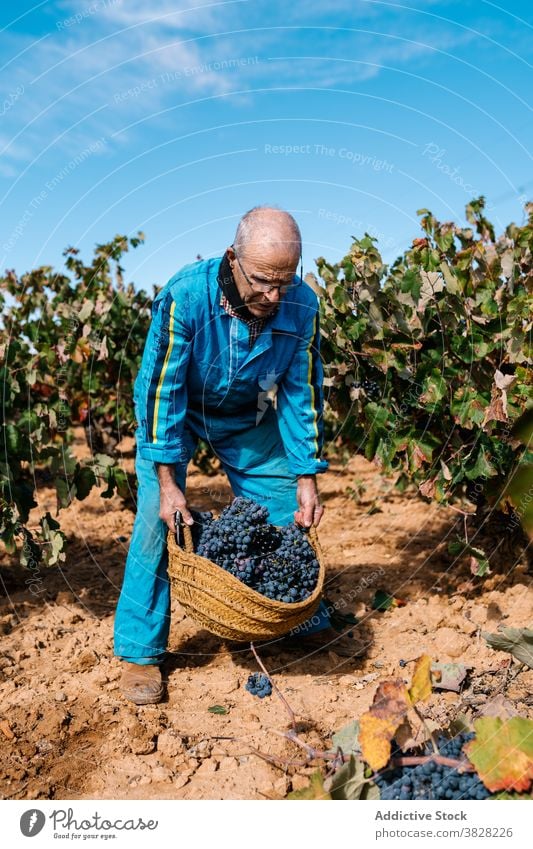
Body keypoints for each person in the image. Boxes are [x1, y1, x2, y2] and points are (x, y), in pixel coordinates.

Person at [114, 206, 353, 706]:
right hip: (176, 411)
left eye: (284, 283)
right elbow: (162, 391)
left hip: (246, 413)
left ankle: (291, 611)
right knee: (159, 524)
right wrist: (170, 485)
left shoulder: (301, 306)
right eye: (264, 281)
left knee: (285, 507)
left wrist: (307, 475)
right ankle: (141, 651)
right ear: (233, 259)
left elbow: (300, 391)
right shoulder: (186, 296)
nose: (273, 296)